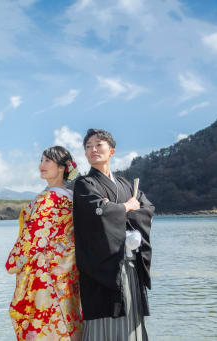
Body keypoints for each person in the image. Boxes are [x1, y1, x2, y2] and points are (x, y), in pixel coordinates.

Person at [73, 129, 154, 341]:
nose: (93, 150)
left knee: (131, 321)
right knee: (103, 322)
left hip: (129, 265)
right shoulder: (84, 184)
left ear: (112, 151)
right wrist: (126, 206)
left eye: (98, 145)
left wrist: (116, 209)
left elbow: (146, 209)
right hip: (101, 268)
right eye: (88, 146)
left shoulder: (127, 184)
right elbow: (96, 212)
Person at [6, 146, 82, 341]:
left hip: (45, 274)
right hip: (68, 270)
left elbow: (33, 238)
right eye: (41, 160)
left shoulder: (48, 199)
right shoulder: (74, 198)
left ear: (62, 168)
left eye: (48, 161)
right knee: (68, 320)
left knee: (44, 326)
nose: (42, 165)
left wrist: (13, 261)